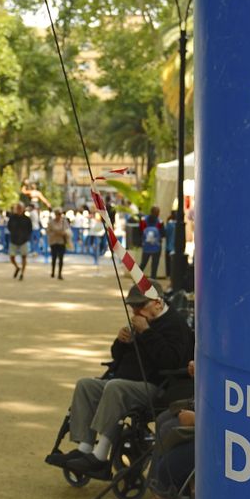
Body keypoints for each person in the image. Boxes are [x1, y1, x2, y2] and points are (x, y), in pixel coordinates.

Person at [47, 283, 194, 480]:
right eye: (132, 307)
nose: (135, 311)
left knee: (115, 388)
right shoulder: (142, 321)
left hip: (156, 386)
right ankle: (85, 448)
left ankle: (100, 455)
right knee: (86, 385)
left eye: (139, 306)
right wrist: (121, 341)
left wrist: (148, 333)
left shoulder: (175, 324)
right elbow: (117, 357)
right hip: (124, 379)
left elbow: (171, 360)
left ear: (157, 303)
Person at [7, 202, 33, 280]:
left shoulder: (27, 219)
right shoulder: (12, 218)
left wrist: (26, 237)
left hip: (24, 240)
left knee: (24, 257)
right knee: (12, 257)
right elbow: (9, 227)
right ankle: (17, 267)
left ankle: (22, 273)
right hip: (14, 239)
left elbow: (30, 229)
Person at [140, 206, 164, 280]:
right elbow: (163, 233)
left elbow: (140, 231)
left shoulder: (144, 220)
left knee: (143, 264)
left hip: (146, 246)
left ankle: (137, 278)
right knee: (154, 265)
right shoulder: (160, 222)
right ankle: (153, 280)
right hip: (156, 247)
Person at [47, 209, 71, 280]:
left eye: (60, 214)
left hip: (62, 242)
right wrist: (55, 233)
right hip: (53, 242)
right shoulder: (51, 222)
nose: (59, 215)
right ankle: (53, 272)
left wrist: (64, 233)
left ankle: (60, 274)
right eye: (58, 214)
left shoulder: (64, 222)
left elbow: (68, 230)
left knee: (61, 258)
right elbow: (48, 231)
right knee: (53, 257)